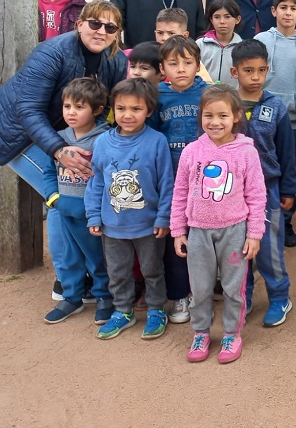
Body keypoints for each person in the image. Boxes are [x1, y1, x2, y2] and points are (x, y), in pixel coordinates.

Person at [0, 0, 127, 299]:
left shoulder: (116, 60)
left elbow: (106, 109)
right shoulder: (52, 52)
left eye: (110, 27)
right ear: (80, 24)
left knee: (76, 192)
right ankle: (66, 280)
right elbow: (28, 109)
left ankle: (83, 272)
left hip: (68, 133)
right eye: (95, 24)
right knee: (61, 197)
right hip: (18, 134)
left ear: (117, 33)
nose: (101, 31)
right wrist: (60, 151)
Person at [171, 85, 266, 363]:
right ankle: (200, 332)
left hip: (235, 230)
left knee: (233, 288)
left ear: (236, 116)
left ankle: (231, 334)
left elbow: (257, 195)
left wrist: (254, 233)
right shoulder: (191, 152)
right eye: (208, 115)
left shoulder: (247, 153)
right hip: (198, 231)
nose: (215, 122)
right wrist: (178, 230)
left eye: (222, 115)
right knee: (199, 288)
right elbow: (180, 193)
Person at [85, 78, 174, 340]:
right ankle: (123, 311)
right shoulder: (101, 143)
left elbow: (166, 182)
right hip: (112, 226)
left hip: (148, 224)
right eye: (121, 108)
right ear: (113, 108)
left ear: (149, 111)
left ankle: (157, 309)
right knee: (117, 272)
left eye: (136, 109)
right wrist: (93, 214)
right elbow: (97, 181)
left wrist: (163, 216)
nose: (128, 115)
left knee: (152, 269)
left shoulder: (157, 141)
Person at [232, 39, 296, 327]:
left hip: (268, 188)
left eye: (261, 70)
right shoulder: (224, 106)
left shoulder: (276, 107)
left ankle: (280, 297)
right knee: (237, 247)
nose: (255, 77)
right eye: (248, 71)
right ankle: (242, 297)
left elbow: (286, 152)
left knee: (269, 247)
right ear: (235, 73)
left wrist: (288, 189)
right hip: (232, 190)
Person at [40, 78, 112, 324]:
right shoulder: (58, 139)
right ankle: (71, 298)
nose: (71, 112)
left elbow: (107, 176)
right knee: (67, 256)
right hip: (63, 209)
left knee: (97, 258)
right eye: (67, 106)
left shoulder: (104, 140)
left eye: (79, 107)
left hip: (92, 214)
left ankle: (104, 297)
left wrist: (98, 208)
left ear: (98, 110)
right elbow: (48, 172)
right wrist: (53, 198)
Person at [152, 35, 209, 325]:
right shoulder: (157, 96)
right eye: (173, 64)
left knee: (205, 236)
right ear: (163, 67)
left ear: (198, 65)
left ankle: (205, 291)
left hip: (207, 181)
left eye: (188, 62)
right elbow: (149, 138)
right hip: (172, 180)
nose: (181, 69)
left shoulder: (209, 93)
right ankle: (180, 294)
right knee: (177, 237)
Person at [255, 0, 296, 247]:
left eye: (293, 8)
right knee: (260, 168)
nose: (288, 12)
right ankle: (261, 221)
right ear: (273, 11)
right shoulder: (261, 40)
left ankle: (286, 222)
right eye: (283, 8)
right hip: (261, 119)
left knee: (287, 167)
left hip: (291, 118)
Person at [197, 0, 243, 88]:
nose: (222, 21)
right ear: (211, 19)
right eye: (217, 17)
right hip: (204, 97)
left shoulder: (242, 48)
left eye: (227, 17)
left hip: (232, 98)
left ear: (237, 19)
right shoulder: (200, 45)